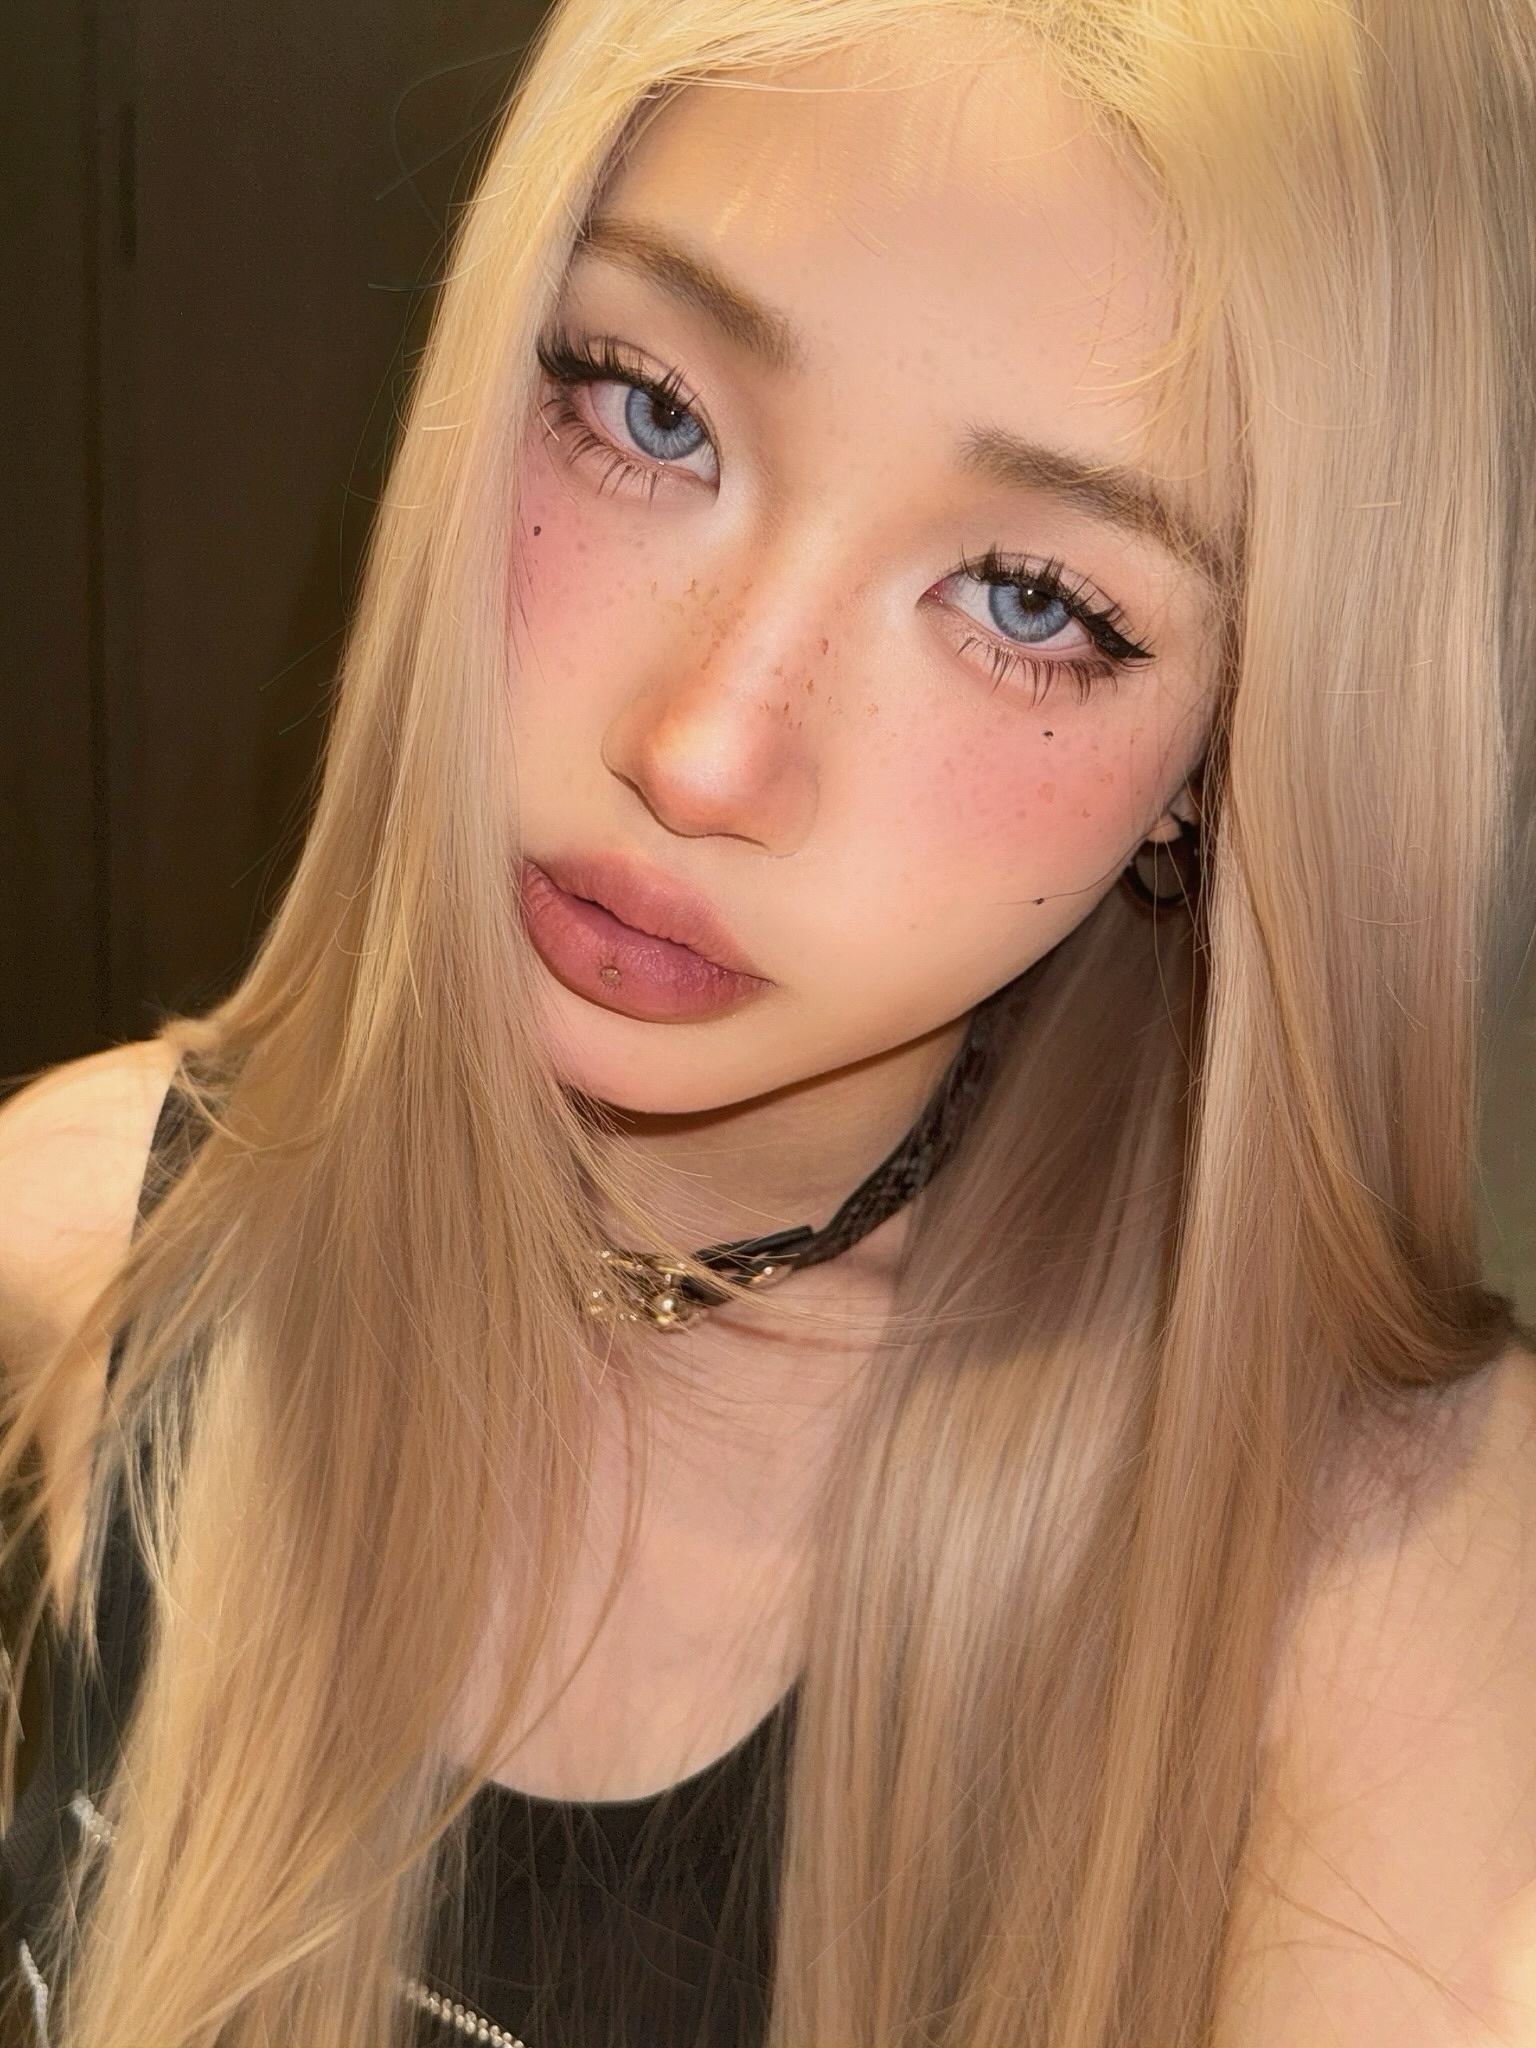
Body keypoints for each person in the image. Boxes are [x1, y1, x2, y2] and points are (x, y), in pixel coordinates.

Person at [2, 0, 1535, 2042]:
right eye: (648, 412)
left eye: (1031, 601)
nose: (706, 753)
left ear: (1233, 747)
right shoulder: (89, 1255)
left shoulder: (1389, 1597)